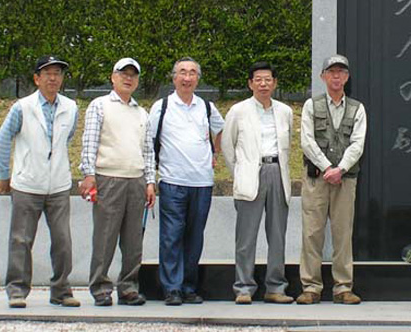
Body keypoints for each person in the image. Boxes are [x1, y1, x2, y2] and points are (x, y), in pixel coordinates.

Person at [0, 55, 80, 309]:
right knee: (21, 240)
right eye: (48, 73)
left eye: (58, 73)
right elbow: (2, 140)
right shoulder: (23, 107)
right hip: (27, 184)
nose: (53, 78)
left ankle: (61, 290)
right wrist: (3, 174)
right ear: (36, 78)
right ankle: (17, 290)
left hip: (59, 185)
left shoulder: (71, 107)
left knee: (63, 240)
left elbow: (67, 139)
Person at [79, 57, 156, 307]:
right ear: (113, 77)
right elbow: (89, 142)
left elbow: (148, 151)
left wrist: (150, 181)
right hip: (108, 179)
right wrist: (88, 174)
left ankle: (129, 287)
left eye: (133, 74)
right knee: (105, 238)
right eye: (123, 73)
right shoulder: (99, 106)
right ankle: (100, 288)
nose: (128, 78)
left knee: (134, 241)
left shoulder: (141, 112)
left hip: (136, 180)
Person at [148, 57, 224, 306]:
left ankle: (189, 286)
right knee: (171, 236)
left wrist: (214, 151)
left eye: (192, 73)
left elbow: (222, 129)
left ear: (198, 79)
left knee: (194, 236)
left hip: (202, 182)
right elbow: (149, 141)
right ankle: (172, 288)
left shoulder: (206, 107)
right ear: (174, 77)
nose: (187, 77)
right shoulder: (162, 106)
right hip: (172, 181)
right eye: (182, 72)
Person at [221, 61, 294, 305]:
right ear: (250, 83)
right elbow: (227, 147)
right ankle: (243, 287)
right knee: (246, 237)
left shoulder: (285, 111)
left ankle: (275, 287)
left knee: (277, 236)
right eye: (258, 79)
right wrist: (240, 171)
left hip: (277, 173)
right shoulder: (238, 111)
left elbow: (288, 144)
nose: (263, 84)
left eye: (268, 79)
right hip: (250, 174)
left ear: (274, 82)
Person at [296, 55, 367, 305]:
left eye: (341, 72)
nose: (336, 76)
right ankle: (311, 287)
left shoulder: (357, 108)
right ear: (323, 76)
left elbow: (358, 143)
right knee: (312, 232)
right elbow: (306, 141)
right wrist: (327, 167)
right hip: (316, 179)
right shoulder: (311, 106)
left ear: (347, 77)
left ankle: (343, 287)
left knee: (342, 233)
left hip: (345, 180)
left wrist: (341, 168)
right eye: (331, 72)